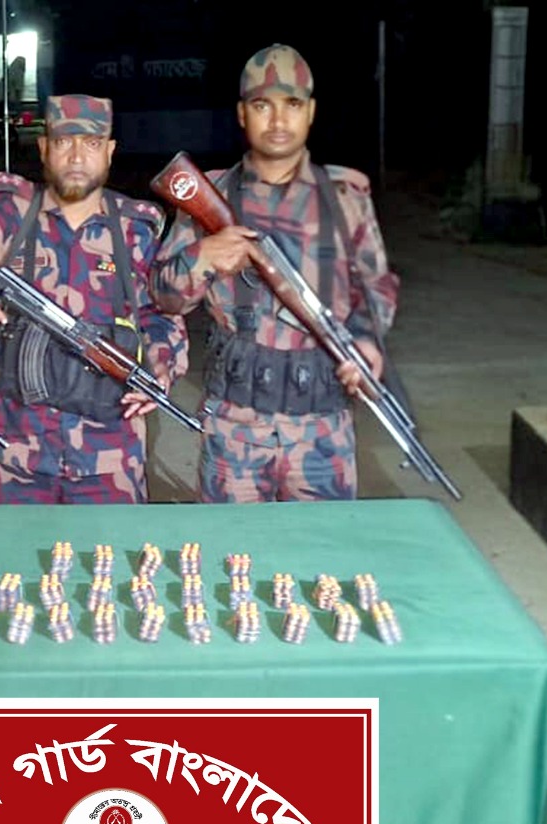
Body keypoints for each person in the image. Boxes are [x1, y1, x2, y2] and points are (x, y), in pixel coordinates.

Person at [151, 44, 400, 503]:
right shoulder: (211, 195)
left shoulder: (345, 195)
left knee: (321, 547)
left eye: (292, 104)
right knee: (235, 546)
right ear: (242, 114)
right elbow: (164, 297)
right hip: (234, 428)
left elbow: (377, 286)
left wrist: (367, 341)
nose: (279, 120)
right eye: (263, 105)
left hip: (322, 428)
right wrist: (203, 256)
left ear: (311, 112)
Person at [0, 94, 187, 505]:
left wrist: (161, 371)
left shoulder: (135, 231)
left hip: (109, 454)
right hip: (15, 449)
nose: (76, 156)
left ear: (110, 151)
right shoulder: (8, 216)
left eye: (91, 143)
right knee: (14, 550)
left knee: (109, 550)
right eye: (63, 142)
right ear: (43, 148)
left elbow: (162, 315)